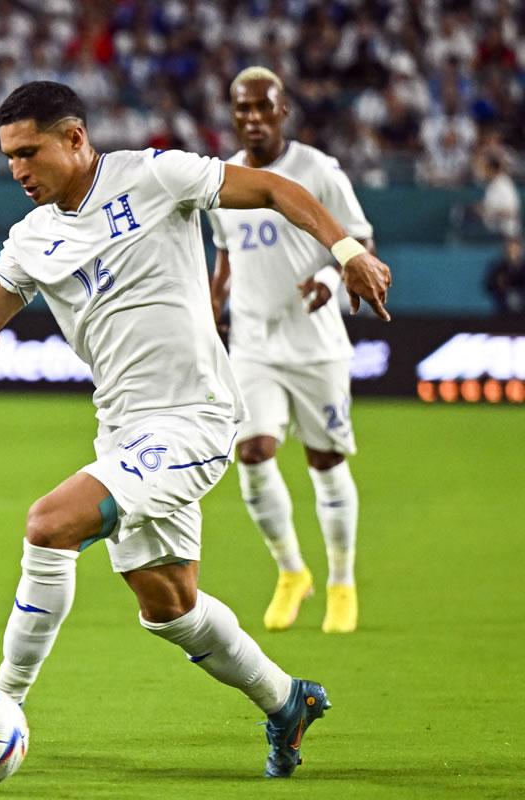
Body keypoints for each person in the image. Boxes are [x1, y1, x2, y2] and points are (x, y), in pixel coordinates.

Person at [0, 81, 391, 778]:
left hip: (194, 417)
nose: (17, 170)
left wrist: (346, 253)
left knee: (49, 523)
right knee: (169, 606)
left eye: (28, 152)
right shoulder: (33, 239)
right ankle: (287, 701)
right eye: (9, 157)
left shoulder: (157, 176)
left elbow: (276, 189)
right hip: (123, 430)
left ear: (74, 138)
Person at [205, 67, 373, 635]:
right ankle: (291, 572)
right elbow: (226, 257)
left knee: (325, 462)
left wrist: (332, 275)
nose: (251, 117)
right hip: (252, 343)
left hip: (317, 344)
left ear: (284, 110)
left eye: (261, 107)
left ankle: (342, 580)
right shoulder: (224, 182)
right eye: (241, 108)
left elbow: (361, 239)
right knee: (252, 453)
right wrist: (211, 308)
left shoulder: (317, 170)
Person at [485, 237, 525, 315]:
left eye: (515, 249)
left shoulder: (523, 268)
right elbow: (489, 285)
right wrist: (500, 284)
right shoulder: (497, 268)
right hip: (502, 311)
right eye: (509, 248)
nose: (512, 252)